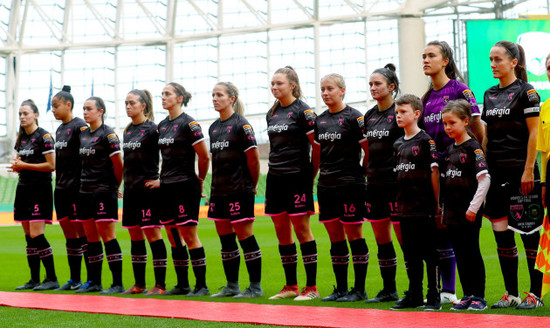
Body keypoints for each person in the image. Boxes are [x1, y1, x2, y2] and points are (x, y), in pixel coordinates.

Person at [421, 40, 485, 304]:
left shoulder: (461, 90)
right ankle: (453, 293)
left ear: (445, 60)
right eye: (423, 56)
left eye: (431, 55)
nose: (425, 60)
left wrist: (475, 159)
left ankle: (471, 294)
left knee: (468, 241)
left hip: (464, 177)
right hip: (439, 175)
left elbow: (479, 130)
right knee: (447, 235)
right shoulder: (425, 98)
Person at [483, 41, 544, 309]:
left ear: (514, 62)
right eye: (491, 60)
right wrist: (483, 170)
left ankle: (535, 295)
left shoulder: (527, 92)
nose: (493, 64)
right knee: (501, 235)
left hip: (522, 172)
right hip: (496, 174)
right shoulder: (488, 93)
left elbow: (534, 133)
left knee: (529, 234)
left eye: (498, 59)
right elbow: (486, 137)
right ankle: (511, 294)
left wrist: (529, 168)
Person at [265, 66, 320, 301]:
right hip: (275, 178)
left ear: (292, 85)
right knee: (282, 233)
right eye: (273, 84)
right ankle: (290, 286)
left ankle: (312, 288)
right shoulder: (272, 112)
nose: (275, 87)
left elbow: (316, 146)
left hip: (297, 177)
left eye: (280, 83)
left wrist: (311, 173)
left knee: (302, 230)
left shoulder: (303, 111)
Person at [151, 82, 210, 296]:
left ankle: (201, 285)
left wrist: (200, 179)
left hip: (185, 186)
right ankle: (182, 284)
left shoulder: (189, 124)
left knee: (189, 234)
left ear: (179, 98)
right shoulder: (162, 125)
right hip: (166, 187)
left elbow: (204, 156)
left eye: (167, 94)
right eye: (162, 94)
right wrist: (160, 179)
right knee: (172, 234)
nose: (163, 97)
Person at [315, 73, 369, 302]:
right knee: (335, 238)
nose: (325, 93)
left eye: (330, 89)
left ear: (342, 91)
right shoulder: (320, 120)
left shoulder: (355, 118)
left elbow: (369, 151)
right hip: (326, 186)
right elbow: (317, 155)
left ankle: (359, 289)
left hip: (350, 185)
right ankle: (341, 289)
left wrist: (360, 174)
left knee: (354, 235)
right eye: (322, 89)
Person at [207, 82, 263, 298]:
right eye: (213, 95)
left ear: (231, 98)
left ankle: (255, 287)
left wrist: (252, 184)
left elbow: (254, 160)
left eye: (219, 95)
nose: (214, 98)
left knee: (245, 236)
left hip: (240, 189)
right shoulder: (213, 127)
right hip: (218, 191)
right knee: (225, 240)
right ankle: (232, 286)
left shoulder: (242, 125)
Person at [390, 94, 440, 311]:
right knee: (410, 254)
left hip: (424, 208)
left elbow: (434, 173)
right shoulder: (398, 144)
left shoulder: (426, 141)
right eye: (397, 112)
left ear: (417, 114)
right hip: (405, 209)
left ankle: (434, 295)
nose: (398, 116)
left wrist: (437, 205)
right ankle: (415, 295)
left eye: (403, 112)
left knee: (430, 254)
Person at [440, 100, 490, 311]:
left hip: (468, 213)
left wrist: (473, 208)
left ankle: (479, 297)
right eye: (445, 123)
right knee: (460, 253)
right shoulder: (450, 149)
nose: (448, 127)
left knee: (471, 252)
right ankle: (467, 295)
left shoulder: (473, 148)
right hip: (452, 213)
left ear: (466, 121)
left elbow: (485, 179)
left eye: (452, 122)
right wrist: (443, 210)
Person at [121, 89, 168, 295]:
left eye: (132, 103)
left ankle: (160, 285)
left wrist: (162, 180)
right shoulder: (128, 130)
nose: (128, 106)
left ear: (143, 106)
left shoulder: (153, 129)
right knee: (134, 236)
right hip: (131, 191)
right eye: (126, 103)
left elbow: (169, 154)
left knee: (152, 234)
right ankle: (139, 284)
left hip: (148, 190)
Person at [363, 64, 403, 303]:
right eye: (370, 84)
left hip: (397, 184)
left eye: (377, 84)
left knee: (404, 240)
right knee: (382, 240)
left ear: (392, 87)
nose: (373, 88)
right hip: (374, 184)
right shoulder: (369, 116)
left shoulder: (400, 112)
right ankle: (389, 290)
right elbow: (368, 151)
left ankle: (416, 290)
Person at [76, 96, 124, 294]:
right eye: (84, 108)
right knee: (90, 238)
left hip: (103, 191)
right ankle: (94, 281)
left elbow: (119, 165)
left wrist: (114, 186)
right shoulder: (83, 134)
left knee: (108, 236)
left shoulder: (108, 134)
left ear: (100, 111)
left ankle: (117, 283)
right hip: (84, 191)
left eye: (89, 109)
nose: (85, 112)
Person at [11, 99, 58, 291]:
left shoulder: (44, 136)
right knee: (28, 236)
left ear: (35, 115)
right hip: (23, 189)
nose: (22, 117)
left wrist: (25, 166)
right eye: (20, 114)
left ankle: (52, 278)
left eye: (26, 113)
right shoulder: (21, 138)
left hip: (40, 190)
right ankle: (34, 279)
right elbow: (21, 161)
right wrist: (17, 167)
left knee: (37, 235)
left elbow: (51, 165)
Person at [51, 86, 89, 291]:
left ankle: (90, 280)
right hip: (61, 188)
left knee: (82, 234)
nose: (53, 110)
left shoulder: (80, 126)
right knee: (69, 236)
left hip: (77, 189)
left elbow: (88, 156)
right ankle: (74, 279)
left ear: (68, 105)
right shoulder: (59, 130)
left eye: (56, 106)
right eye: (52, 107)